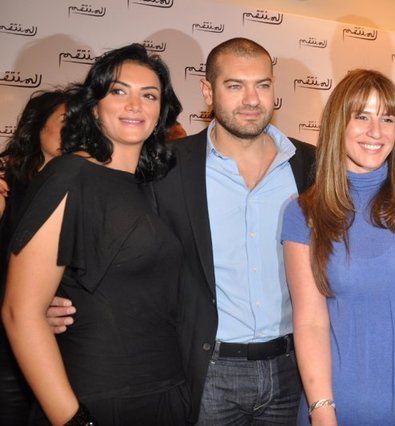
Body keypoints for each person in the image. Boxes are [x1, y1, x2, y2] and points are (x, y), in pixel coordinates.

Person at [44, 37, 315, 425]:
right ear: (208, 91)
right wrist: (54, 298)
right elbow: (119, 242)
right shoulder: (166, 166)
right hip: (203, 372)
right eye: (235, 85)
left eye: (263, 84)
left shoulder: (309, 165)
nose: (252, 99)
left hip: (293, 370)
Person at [2, 43, 187, 425]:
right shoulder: (69, 176)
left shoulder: (153, 184)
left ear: (161, 112)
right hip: (96, 398)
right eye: (119, 91)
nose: (135, 105)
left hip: (164, 395)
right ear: (94, 106)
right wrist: (73, 420)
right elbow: (20, 312)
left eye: (149, 95)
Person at [282, 69, 395, 425]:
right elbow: (310, 322)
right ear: (338, 124)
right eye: (362, 117)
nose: (376, 131)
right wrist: (322, 411)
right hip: (336, 409)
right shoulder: (303, 212)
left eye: (387, 119)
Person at [0, 89, 70, 425]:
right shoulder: (6, 188)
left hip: (69, 353)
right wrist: (29, 309)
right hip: (8, 359)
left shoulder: (87, 190)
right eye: (66, 120)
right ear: (37, 126)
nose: (76, 130)